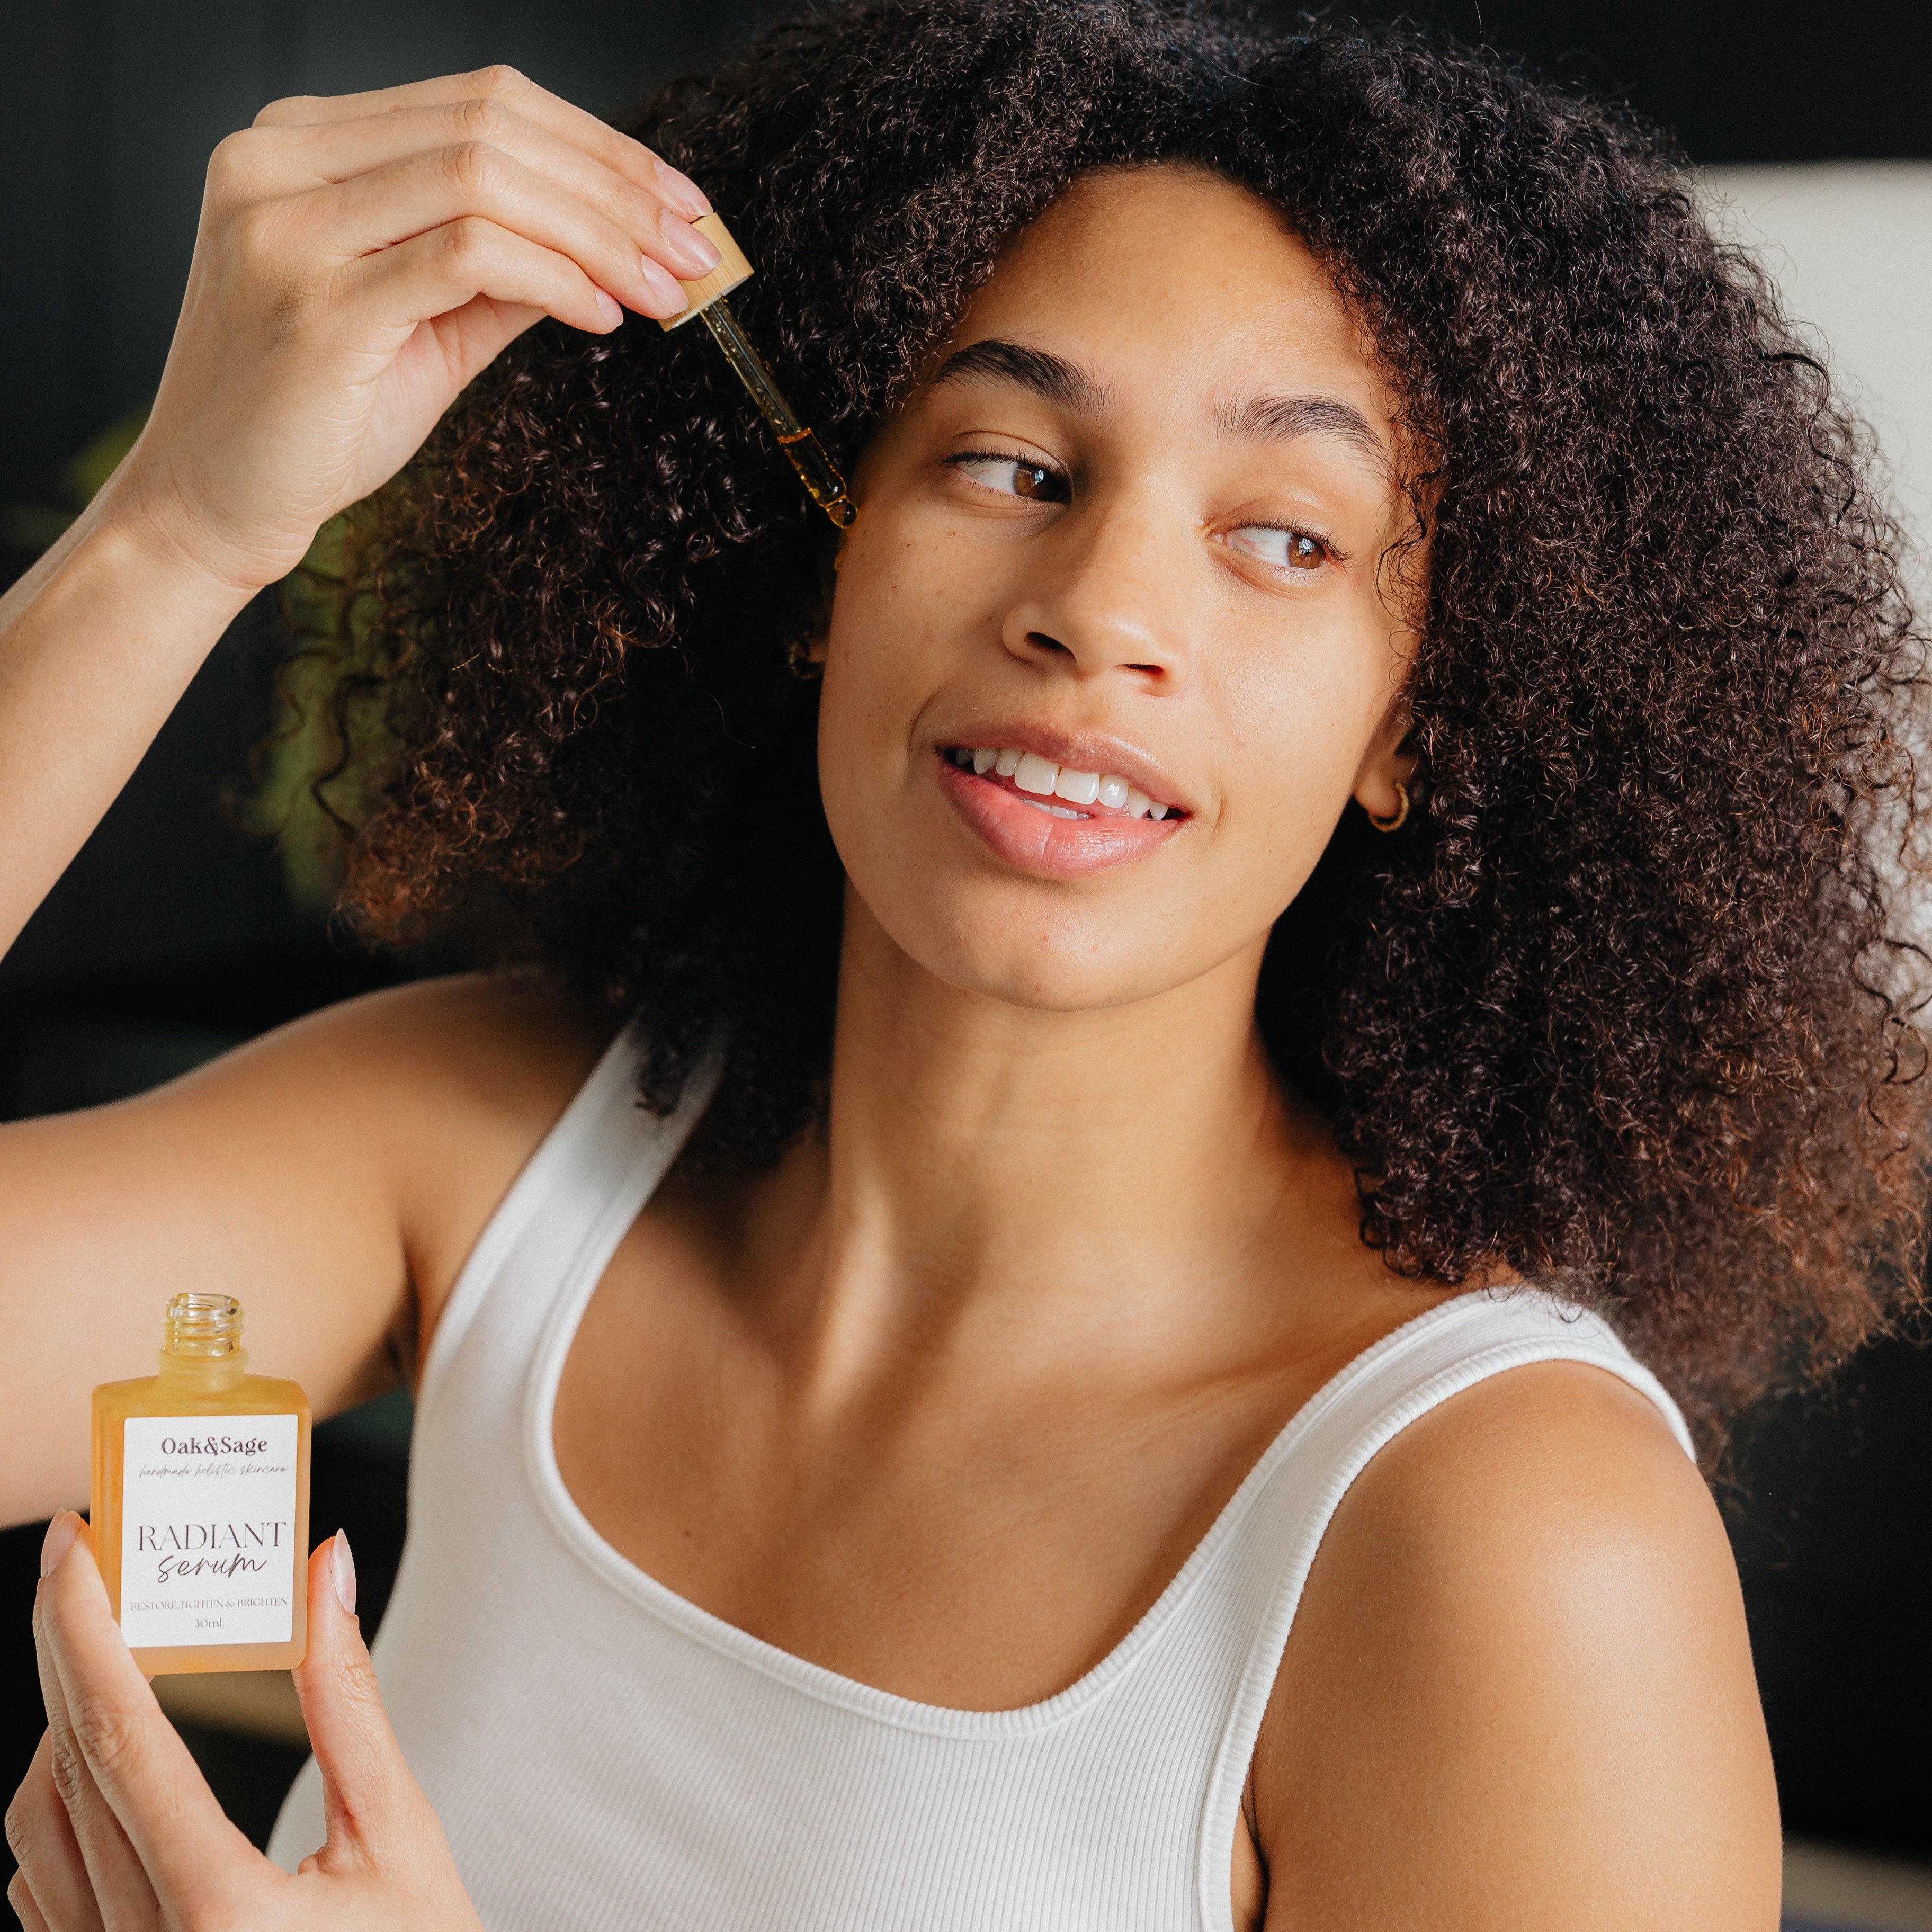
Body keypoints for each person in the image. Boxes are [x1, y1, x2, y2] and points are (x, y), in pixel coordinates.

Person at [4, 2, 1925, 1926]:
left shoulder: (1500, 1537)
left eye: (1281, 536)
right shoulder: (485, 1155)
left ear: (1412, 727)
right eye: (1011, 463)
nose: (1101, 615)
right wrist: (179, 530)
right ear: (821, 581)